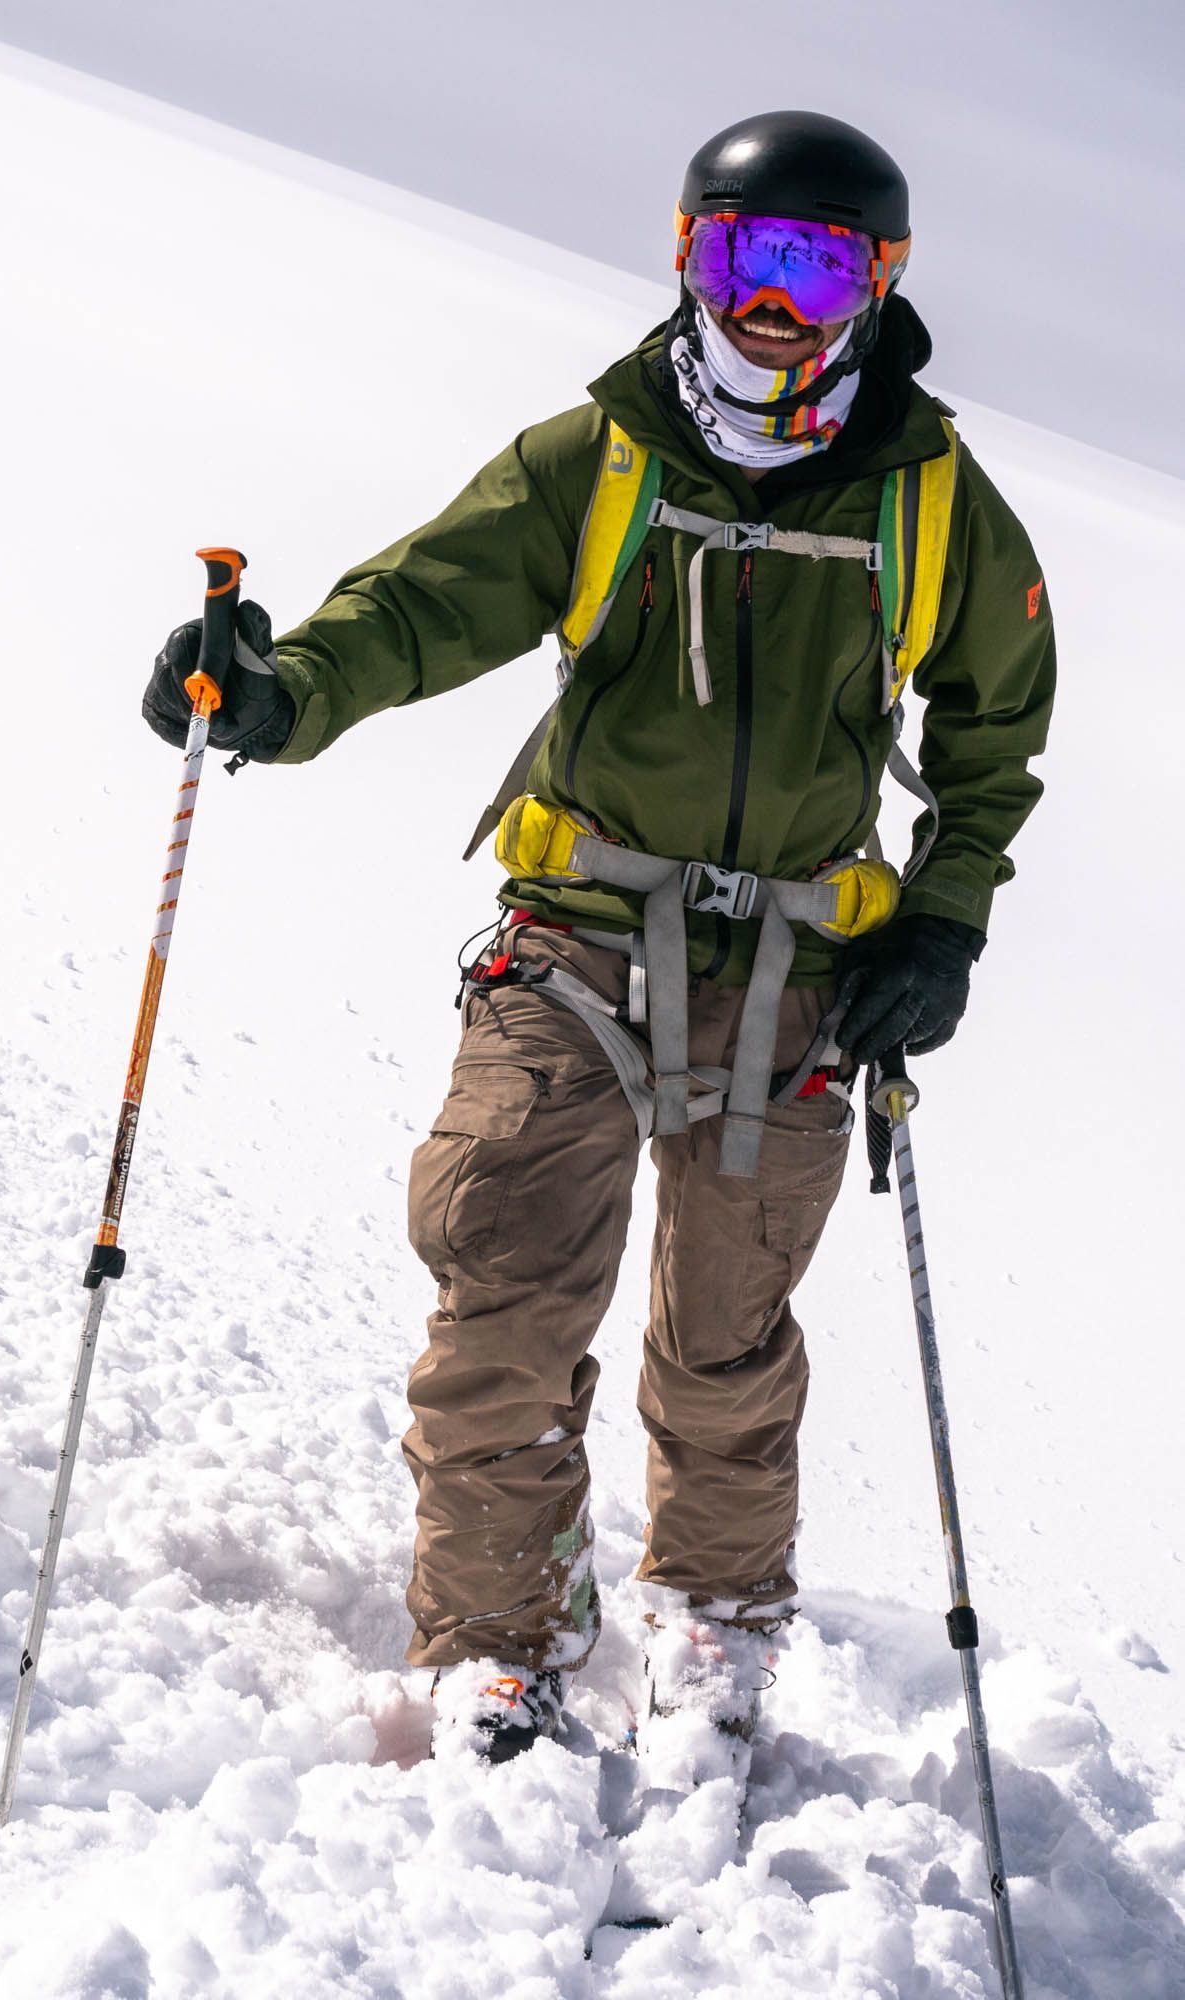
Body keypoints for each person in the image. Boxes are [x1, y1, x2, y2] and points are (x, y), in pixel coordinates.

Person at [144, 109, 1056, 1773]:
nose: (768, 306)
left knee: (725, 1338)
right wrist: (281, 692)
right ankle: (497, 1640)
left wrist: (941, 918)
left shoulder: (933, 504)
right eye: (742, 258)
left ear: (876, 282)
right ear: (687, 255)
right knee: (499, 1281)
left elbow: (994, 731)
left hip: (795, 974)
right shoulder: (602, 455)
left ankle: (715, 1617)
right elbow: (423, 603)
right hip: (571, 941)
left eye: (812, 269)